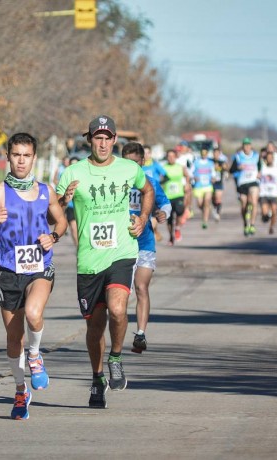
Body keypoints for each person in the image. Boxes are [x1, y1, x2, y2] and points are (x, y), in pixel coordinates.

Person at [56, 115, 154, 409]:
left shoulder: (129, 168)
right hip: (88, 260)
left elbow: (147, 190)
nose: (102, 143)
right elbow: (54, 213)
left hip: (121, 252)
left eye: (107, 137)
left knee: (118, 308)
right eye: (97, 137)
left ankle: (116, 358)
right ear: (90, 140)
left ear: (114, 141)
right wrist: (63, 202)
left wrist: (144, 218)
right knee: (95, 328)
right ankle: (97, 378)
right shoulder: (72, 172)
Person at [0, 132, 67, 420]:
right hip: (10, 270)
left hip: (40, 266)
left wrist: (53, 236)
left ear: (34, 158)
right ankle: (19, 390)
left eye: (26, 155)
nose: (21, 161)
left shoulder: (45, 191)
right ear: (8, 157)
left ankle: (36, 356)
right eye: (16, 155)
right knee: (14, 339)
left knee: (33, 313)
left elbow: (61, 221)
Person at [121, 142, 171, 353]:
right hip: (120, 244)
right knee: (121, 294)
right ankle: (117, 336)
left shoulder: (149, 183)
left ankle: (140, 334)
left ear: (142, 162)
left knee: (141, 287)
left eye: (135, 162)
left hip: (144, 243)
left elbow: (165, 203)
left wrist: (162, 214)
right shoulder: (116, 182)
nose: (131, 166)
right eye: (126, 162)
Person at [230, 137, 260, 236]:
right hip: (242, 183)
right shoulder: (238, 157)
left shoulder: (256, 156)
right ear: (242, 147)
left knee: (254, 202)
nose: (246, 147)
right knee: (244, 204)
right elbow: (231, 170)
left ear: (251, 146)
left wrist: (259, 173)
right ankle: (245, 224)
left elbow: (261, 166)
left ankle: (252, 224)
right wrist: (238, 167)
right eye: (245, 145)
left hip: (253, 181)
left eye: (248, 145)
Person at [163, 148, 190, 245]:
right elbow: (160, 179)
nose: (170, 158)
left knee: (179, 211)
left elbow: (187, 176)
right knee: (169, 218)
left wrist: (187, 184)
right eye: (169, 156)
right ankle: (171, 237)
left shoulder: (180, 167)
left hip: (179, 194)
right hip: (167, 196)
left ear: (176, 157)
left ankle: (177, 228)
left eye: (172, 156)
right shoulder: (163, 167)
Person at [259, 150, 277, 234]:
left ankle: (271, 227)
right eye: (268, 158)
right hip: (264, 193)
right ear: (266, 159)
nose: (269, 159)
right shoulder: (262, 168)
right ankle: (265, 216)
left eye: (271, 158)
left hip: (274, 193)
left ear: (273, 159)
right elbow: (257, 177)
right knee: (264, 212)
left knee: (274, 211)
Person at [191, 147, 216, 229]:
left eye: (206, 153)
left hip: (208, 186)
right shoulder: (196, 162)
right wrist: (194, 177)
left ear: (207, 154)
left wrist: (213, 178)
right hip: (198, 186)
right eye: (203, 153)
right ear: (201, 154)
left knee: (207, 201)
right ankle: (206, 210)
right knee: (200, 204)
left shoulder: (210, 163)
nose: (204, 155)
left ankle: (205, 221)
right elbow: (190, 172)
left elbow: (213, 173)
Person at [211, 147, 228, 222]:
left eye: (218, 153)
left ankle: (217, 212)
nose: (216, 155)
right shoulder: (210, 161)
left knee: (218, 198)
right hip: (210, 183)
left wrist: (225, 168)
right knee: (213, 198)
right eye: (215, 153)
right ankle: (214, 208)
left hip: (219, 182)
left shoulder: (222, 162)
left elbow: (227, 169)